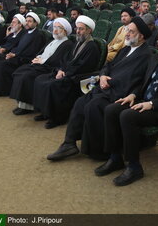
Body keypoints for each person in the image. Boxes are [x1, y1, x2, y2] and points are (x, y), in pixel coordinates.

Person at [97, 28, 158, 186]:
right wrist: (133, 95)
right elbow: (144, 83)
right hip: (143, 100)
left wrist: (151, 104)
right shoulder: (155, 58)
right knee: (111, 109)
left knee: (127, 115)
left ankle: (134, 166)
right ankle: (115, 157)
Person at [46, 17, 152, 161]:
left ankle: (98, 151)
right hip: (106, 87)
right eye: (127, 30)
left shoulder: (145, 55)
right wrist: (102, 76)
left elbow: (135, 79)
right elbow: (108, 66)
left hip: (120, 92)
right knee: (80, 103)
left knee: (93, 106)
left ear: (141, 36)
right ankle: (69, 143)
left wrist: (110, 83)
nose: (126, 34)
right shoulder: (126, 49)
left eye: (131, 32)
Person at [32, 16, 101, 129]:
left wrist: (66, 72)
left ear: (89, 30)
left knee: (53, 85)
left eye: (81, 29)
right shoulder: (77, 43)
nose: (78, 31)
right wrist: (60, 70)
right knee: (40, 79)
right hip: (66, 72)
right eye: (77, 28)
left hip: (77, 77)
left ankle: (57, 118)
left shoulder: (92, 47)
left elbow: (83, 67)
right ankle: (45, 112)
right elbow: (66, 59)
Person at [9, 18, 74, 115]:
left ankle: (27, 106)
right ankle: (21, 103)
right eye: (54, 27)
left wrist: (42, 61)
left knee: (26, 76)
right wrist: (38, 58)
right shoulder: (53, 40)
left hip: (49, 68)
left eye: (58, 28)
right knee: (19, 71)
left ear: (64, 31)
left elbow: (58, 60)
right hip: (40, 64)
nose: (54, 30)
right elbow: (42, 51)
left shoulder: (67, 44)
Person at [0, 12, 46, 99]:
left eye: (30, 21)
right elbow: (19, 46)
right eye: (26, 21)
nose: (27, 23)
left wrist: (15, 55)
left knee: (2, 64)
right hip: (17, 55)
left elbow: (32, 51)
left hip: (24, 59)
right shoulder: (26, 33)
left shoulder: (38, 35)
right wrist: (12, 53)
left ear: (36, 23)